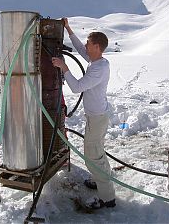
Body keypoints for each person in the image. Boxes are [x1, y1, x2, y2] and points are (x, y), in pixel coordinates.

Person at [52, 18, 116, 209]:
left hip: (97, 118)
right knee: (97, 152)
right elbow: (80, 49)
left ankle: (107, 197)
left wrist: (64, 68)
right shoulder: (97, 61)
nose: (86, 46)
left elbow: (77, 87)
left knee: (93, 155)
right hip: (97, 116)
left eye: (89, 43)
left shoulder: (98, 69)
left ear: (96, 47)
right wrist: (68, 28)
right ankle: (100, 180)